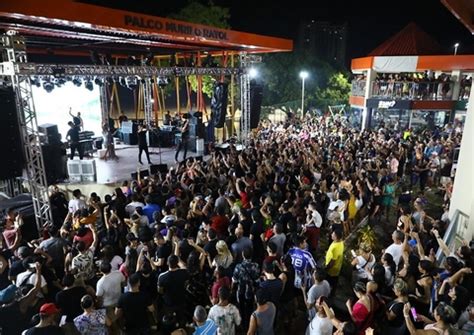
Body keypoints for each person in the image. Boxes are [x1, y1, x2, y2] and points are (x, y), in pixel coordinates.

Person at [325, 229, 344, 293]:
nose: (331, 235)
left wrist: (327, 268)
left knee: (330, 282)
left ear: (336, 237)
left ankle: (330, 293)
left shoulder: (336, 247)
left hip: (332, 270)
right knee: (334, 281)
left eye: (333, 234)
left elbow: (333, 261)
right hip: (336, 268)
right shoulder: (339, 242)